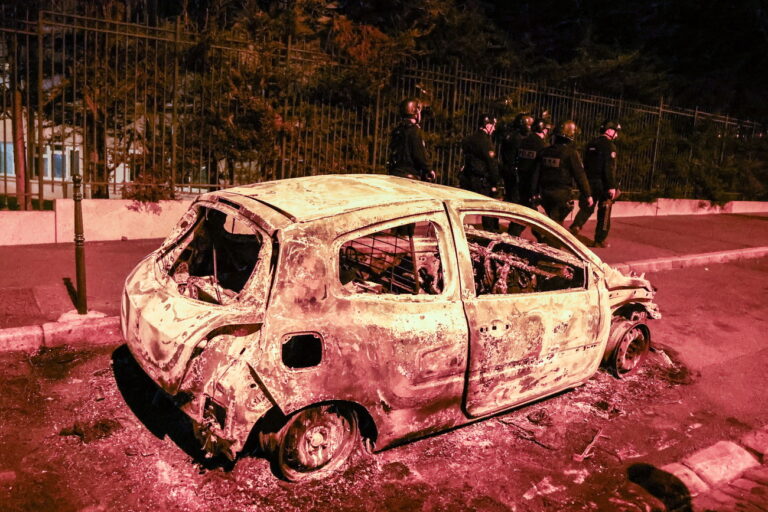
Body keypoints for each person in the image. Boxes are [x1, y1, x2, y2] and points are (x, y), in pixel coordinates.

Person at [569, 120, 621, 247]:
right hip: (602, 183)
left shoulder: (592, 143)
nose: (617, 134)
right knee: (605, 211)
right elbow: (609, 168)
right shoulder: (609, 146)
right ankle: (600, 239)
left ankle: (576, 226)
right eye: (615, 131)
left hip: (589, 181)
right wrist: (611, 186)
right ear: (609, 131)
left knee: (587, 207)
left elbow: (585, 163)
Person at [532, 120, 593, 225]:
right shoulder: (571, 153)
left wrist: (534, 192)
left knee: (547, 223)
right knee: (556, 227)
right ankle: (550, 240)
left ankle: (544, 238)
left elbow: (536, 173)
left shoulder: (544, 151)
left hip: (545, 193)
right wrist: (587, 195)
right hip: (561, 195)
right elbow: (580, 176)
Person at [460, 113, 500, 231]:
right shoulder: (486, 142)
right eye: (493, 125)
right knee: (488, 210)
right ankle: (490, 234)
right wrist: (495, 182)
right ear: (487, 126)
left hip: (469, 178)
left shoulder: (469, 139)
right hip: (482, 180)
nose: (494, 129)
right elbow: (491, 163)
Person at [386, 98, 436, 182]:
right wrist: (429, 169)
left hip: (394, 174)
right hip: (409, 177)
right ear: (416, 113)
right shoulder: (414, 131)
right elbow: (419, 153)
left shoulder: (397, 130)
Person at [499, 112, 533, 204]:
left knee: (511, 197)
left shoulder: (509, 136)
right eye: (529, 125)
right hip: (515, 173)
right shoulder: (519, 139)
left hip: (508, 171)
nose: (530, 128)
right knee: (516, 200)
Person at [516, 117, 549, 209]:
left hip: (521, 179)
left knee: (522, 205)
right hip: (533, 182)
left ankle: (515, 224)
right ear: (544, 130)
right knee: (531, 209)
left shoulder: (523, 141)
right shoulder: (542, 145)